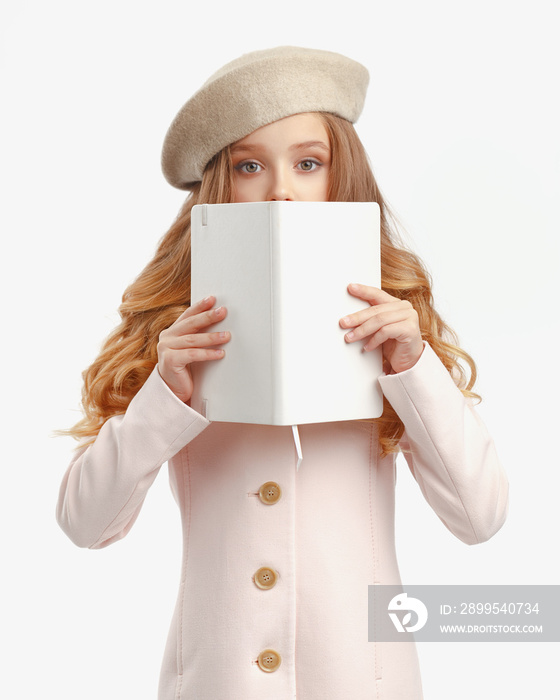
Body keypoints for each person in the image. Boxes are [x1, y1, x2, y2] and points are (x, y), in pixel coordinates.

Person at [56, 46, 509, 699]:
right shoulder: (176, 332)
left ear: (340, 175)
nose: (281, 189)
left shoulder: (392, 324)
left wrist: (414, 369)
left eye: (308, 163)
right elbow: (84, 525)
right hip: (216, 682)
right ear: (219, 185)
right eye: (248, 166)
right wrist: (166, 392)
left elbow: (482, 517)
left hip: (363, 681)